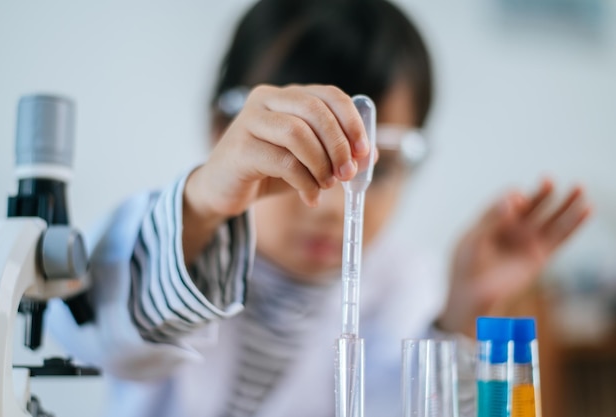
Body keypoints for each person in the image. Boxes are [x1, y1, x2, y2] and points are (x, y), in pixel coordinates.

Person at [49, 0, 591, 416]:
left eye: (377, 167)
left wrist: (466, 308)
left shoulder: (402, 284)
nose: (335, 205)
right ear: (225, 132)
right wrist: (201, 201)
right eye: (296, 155)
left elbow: (402, 405)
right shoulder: (174, 248)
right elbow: (98, 329)